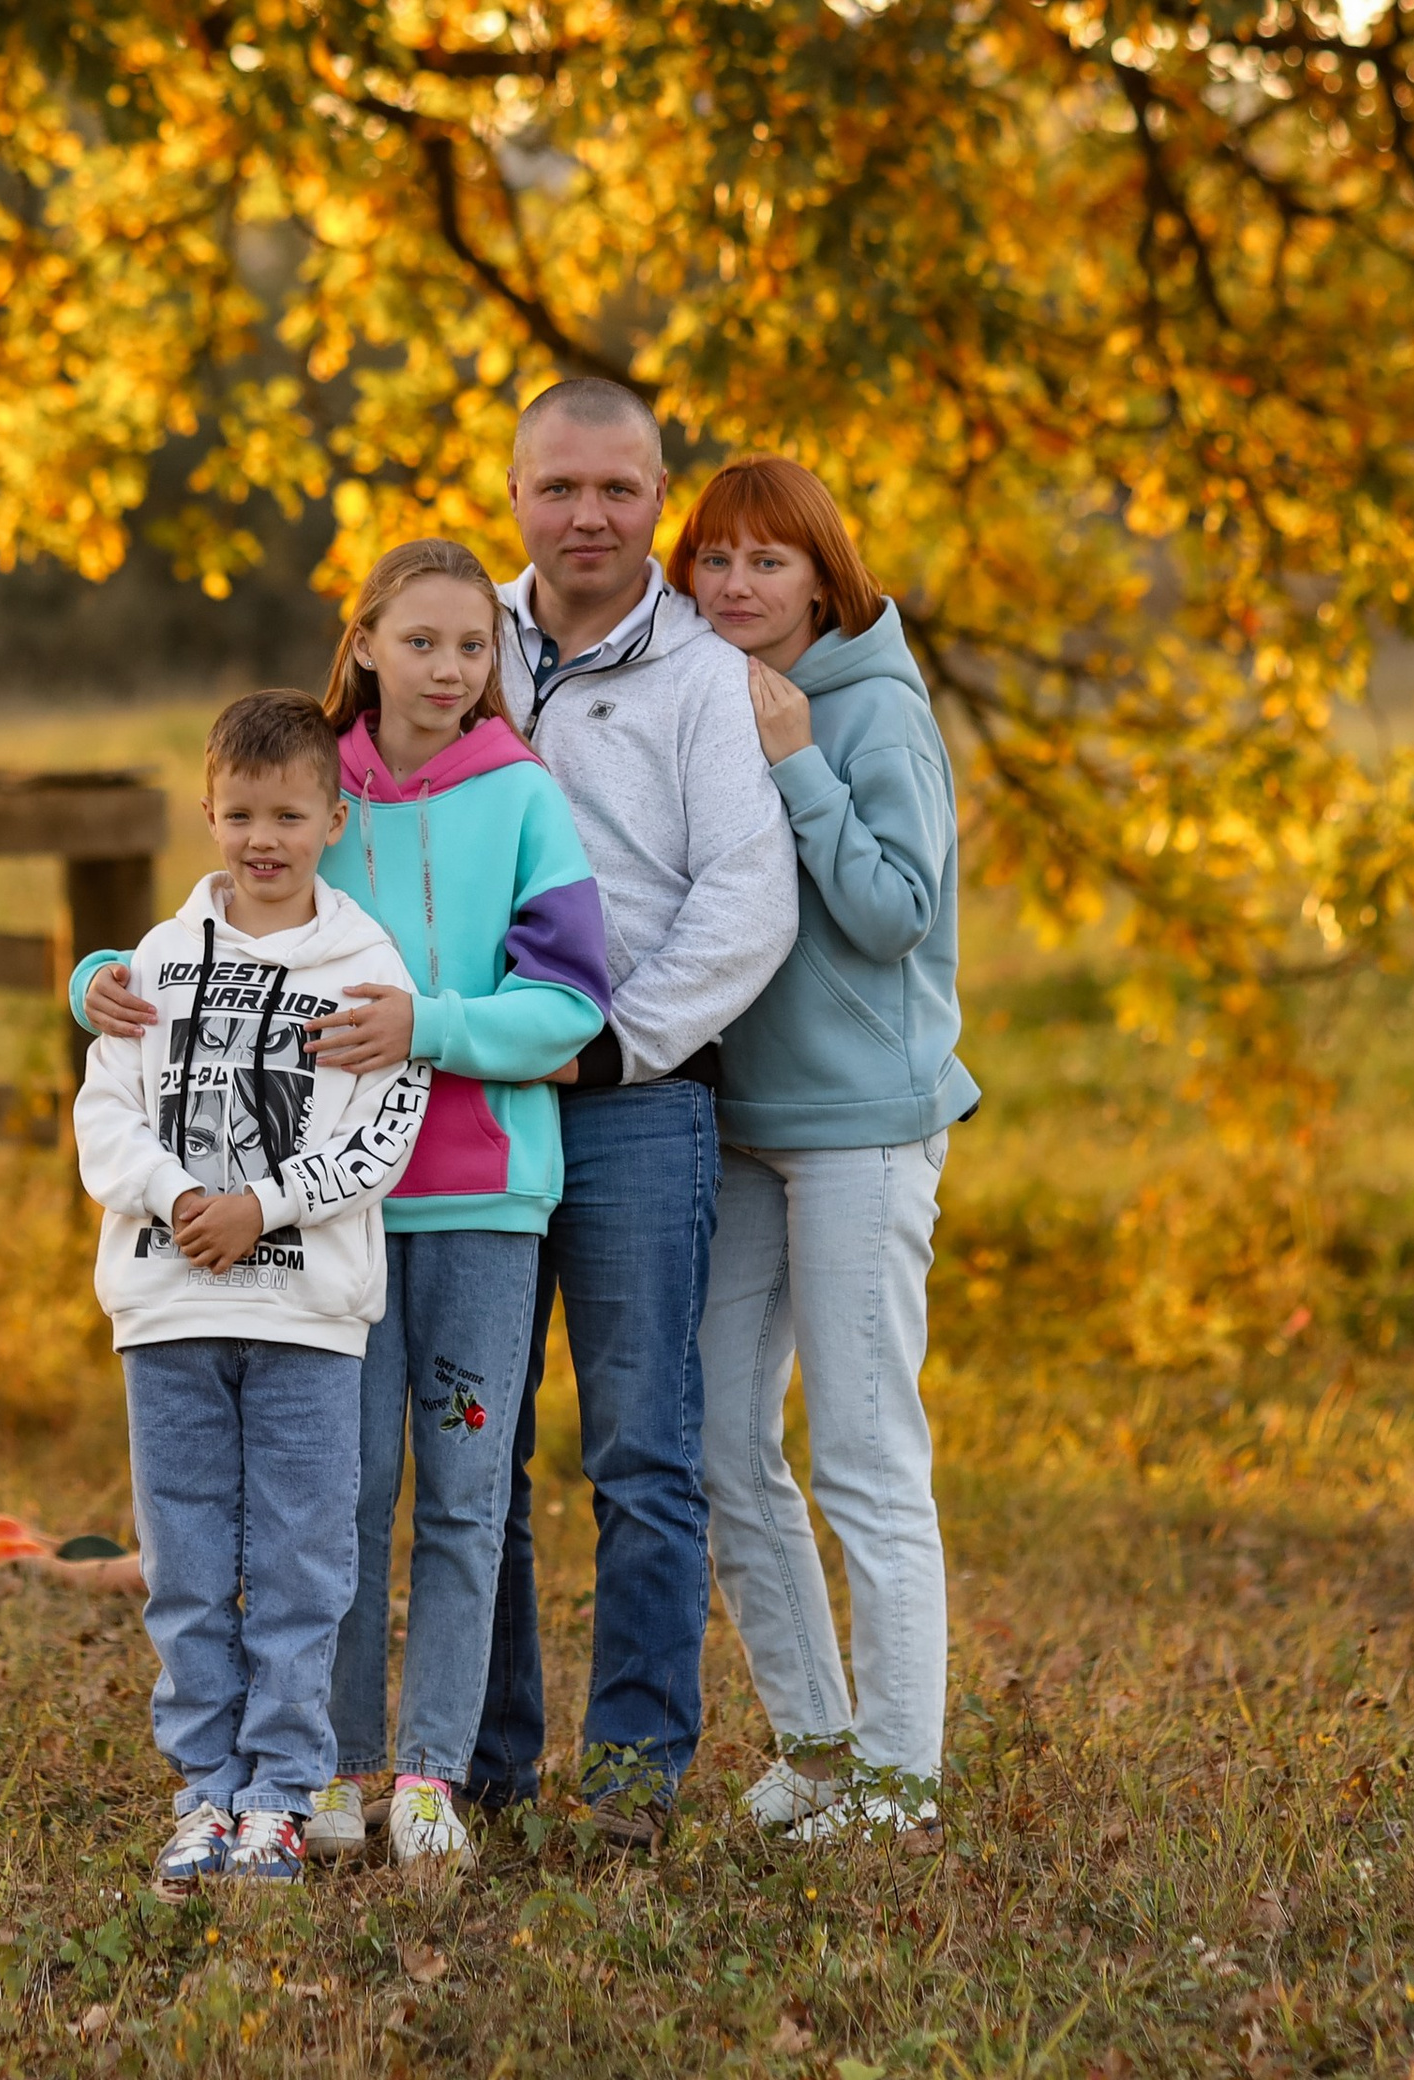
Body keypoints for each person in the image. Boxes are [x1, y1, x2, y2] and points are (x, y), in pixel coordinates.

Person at [79, 539, 611, 1868]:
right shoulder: (315, 787)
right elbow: (221, 941)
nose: (448, 668)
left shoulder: (523, 796)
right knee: (342, 1507)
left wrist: (428, 1025)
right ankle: (332, 1765)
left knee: (467, 1496)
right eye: (419, 640)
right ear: (363, 641)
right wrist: (101, 974)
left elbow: (571, 1006)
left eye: (474, 645)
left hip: (481, 1192)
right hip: (318, 1236)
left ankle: (428, 1774)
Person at [468, 376, 800, 1844]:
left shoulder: (704, 676)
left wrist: (611, 1051)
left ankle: (630, 1776)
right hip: (467, 1104)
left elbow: (749, 898)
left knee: (643, 1451)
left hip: (635, 1107)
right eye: (560, 486)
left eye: (619, 487)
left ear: (658, 495)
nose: (589, 514)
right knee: (472, 1444)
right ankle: (478, 1761)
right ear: (516, 493)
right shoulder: (455, 637)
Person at [71, 690, 431, 1891]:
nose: (262, 838)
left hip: (305, 1319)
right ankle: (205, 1792)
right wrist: (179, 1196)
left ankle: (280, 1792)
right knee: (183, 1565)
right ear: (207, 814)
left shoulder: (366, 968)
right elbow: (105, 1110)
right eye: (240, 815)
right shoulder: (156, 962)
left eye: (287, 814)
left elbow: (384, 1134)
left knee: (299, 1566)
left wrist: (261, 1208)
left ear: (334, 817)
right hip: (169, 1308)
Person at [671, 456, 980, 1840]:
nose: (737, 584)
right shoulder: (706, 693)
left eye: (768, 560)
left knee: (864, 1453)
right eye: (714, 558)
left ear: (820, 575)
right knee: (721, 1440)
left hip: (863, 1129)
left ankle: (902, 1783)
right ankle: (821, 1750)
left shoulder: (871, 711)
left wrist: (798, 761)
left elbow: (896, 911)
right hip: (741, 1121)